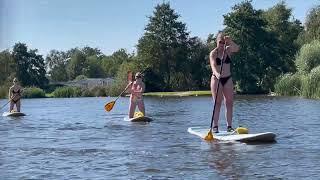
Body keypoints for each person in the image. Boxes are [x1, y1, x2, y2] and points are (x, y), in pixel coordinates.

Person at [209, 32, 239, 133]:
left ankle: (229, 127)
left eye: (223, 42)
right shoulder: (213, 53)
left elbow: (237, 48)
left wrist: (230, 41)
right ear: (216, 42)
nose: (222, 44)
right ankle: (215, 127)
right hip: (216, 79)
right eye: (220, 42)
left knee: (229, 103)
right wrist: (217, 74)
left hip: (228, 79)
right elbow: (213, 65)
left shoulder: (228, 50)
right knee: (217, 103)